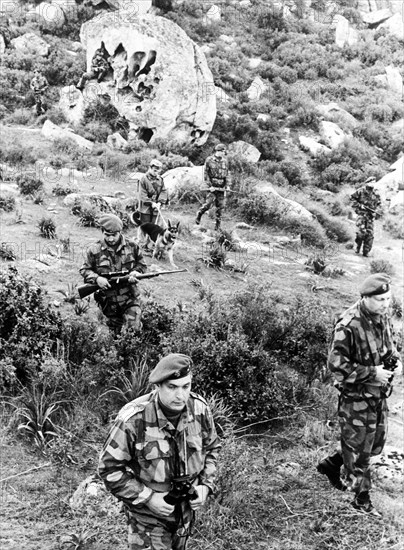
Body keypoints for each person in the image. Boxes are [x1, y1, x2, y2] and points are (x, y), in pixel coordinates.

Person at [99, 353, 221, 550]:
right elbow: (109, 469)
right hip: (148, 518)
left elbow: (212, 448)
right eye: (172, 387)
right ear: (157, 387)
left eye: (186, 386)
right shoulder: (133, 419)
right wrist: (148, 497)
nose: (180, 395)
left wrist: (205, 486)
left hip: (185, 514)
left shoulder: (199, 409)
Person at [317, 274, 402, 515]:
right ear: (365, 298)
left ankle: (332, 464)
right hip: (357, 398)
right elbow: (336, 365)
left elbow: (389, 347)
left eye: (388, 298)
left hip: (378, 394)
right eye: (379, 299)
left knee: (374, 444)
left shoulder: (381, 317)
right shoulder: (349, 324)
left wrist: (396, 362)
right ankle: (361, 498)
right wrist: (372, 373)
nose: (385, 304)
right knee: (361, 450)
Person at [79, 213, 147, 333]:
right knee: (115, 337)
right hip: (108, 302)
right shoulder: (94, 249)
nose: (110, 239)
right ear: (102, 231)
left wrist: (136, 273)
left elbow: (142, 265)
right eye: (107, 235)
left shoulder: (132, 246)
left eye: (114, 235)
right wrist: (97, 279)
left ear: (120, 232)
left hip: (129, 297)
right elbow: (85, 270)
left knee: (133, 329)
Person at [195, 143, 231, 231]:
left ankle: (217, 226)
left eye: (224, 151)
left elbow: (227, 174)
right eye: (222, 151)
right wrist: (210, 186)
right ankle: (200, 213)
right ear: (217, 151)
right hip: (211, 186)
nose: (223, 153)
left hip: (221, 187)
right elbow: (206, 174)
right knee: (208, 204)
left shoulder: (225, 161)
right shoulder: (209, 160)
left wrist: (228, 185)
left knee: (221, 206)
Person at [350, 177, 381, 257]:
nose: (373, 184)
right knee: (361, 233)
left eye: (374, 182)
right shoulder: (360, 191)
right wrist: (360, 206)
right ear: (367, 182)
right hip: (362, 215)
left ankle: (366, 251)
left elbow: (379, 204)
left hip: (370, 217)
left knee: (370, 235)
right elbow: (352, 199)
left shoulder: (376, 193)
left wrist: (376, 212)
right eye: (371, 182)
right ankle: (358, 246)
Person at [137, 159, 169, 226]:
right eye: (154, 170)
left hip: (156, 209)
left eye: (158, 171)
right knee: (145, 228)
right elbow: (142, 195)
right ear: (150, 168)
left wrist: (160, 202)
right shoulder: (143, 179)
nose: (156, 173)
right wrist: (151, 203)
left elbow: (163, 191)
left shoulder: (160, 179)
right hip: (145, 209)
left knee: (155, 229)